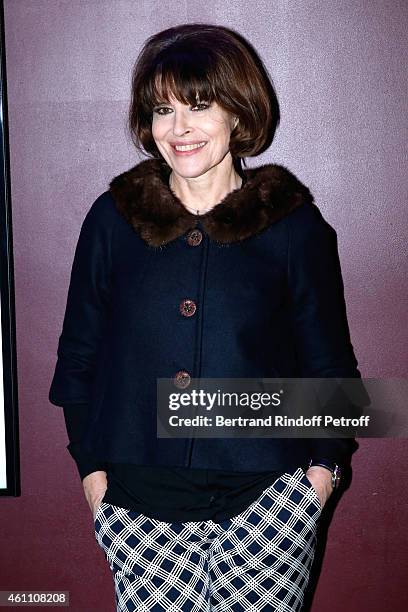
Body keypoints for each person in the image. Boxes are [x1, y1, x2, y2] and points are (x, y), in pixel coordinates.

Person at [49, 23, 361, 612]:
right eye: (162, 110)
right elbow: (79, 356)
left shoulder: (293, 228)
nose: (178, 129)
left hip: (269, 500)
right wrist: (92, 475)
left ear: (239, 112)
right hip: (139, 506)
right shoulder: (112, 221)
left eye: (199, 105)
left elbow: (331, 365)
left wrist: (319, 476)